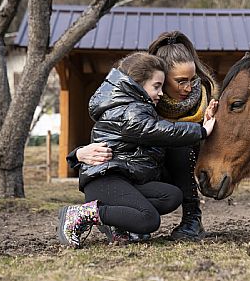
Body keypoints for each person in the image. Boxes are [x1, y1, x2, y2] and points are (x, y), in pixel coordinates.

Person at [67, 31, 219, 241]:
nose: (189, 87)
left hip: (143, 173)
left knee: (178, 156)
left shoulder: (199, 99)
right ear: (160, 80)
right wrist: (79, 154)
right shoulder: (135, 104)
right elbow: (111, 132)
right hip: (117, 174)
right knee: (148, 219)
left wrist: (206, 126)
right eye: (181, 81)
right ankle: (113, 218)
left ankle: (190, 218)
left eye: (193, 80)